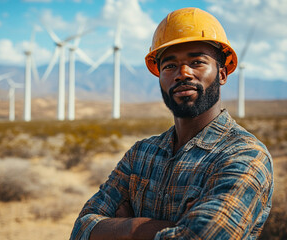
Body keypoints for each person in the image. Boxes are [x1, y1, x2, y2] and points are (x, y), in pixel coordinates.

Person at [70, 7, 273, 240]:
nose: (182, 73)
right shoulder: (140, 155)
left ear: (223, 73)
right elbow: (81, 229)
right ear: (159, 76)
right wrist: (170, 226)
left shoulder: (244, 155)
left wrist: (121, 227)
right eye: (169, 66)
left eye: (197, 62)